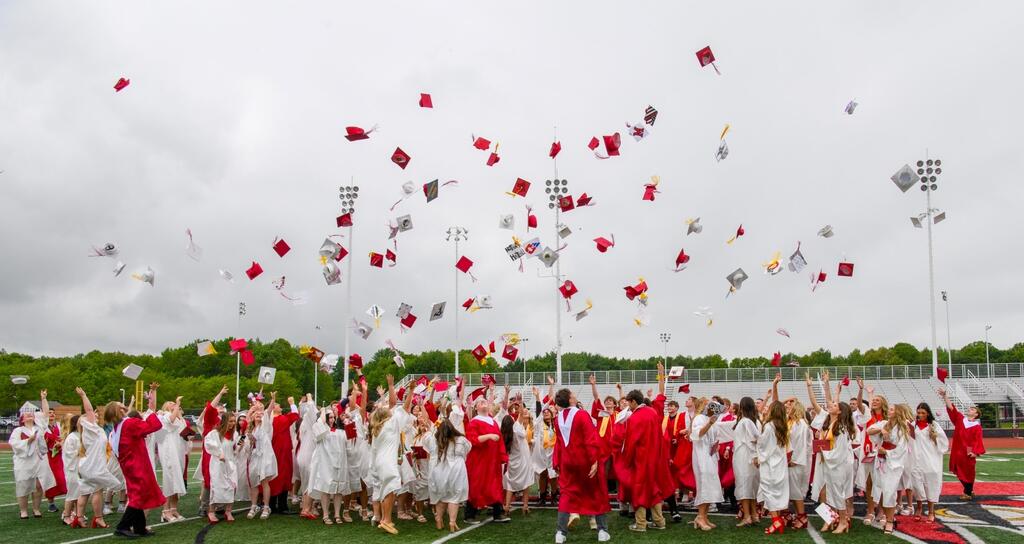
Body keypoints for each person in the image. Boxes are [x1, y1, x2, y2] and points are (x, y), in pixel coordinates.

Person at [551, 387, 611, 543]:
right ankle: (602, 531)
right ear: (570, 400)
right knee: (595, 492)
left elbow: (558, 443)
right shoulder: (582, 415)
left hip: (567, 462)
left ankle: (560, 533)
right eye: (572, 395)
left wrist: (557, 462)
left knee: (566, 495)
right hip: (584, 461)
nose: (574, 396)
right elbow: (590, 440)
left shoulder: (557, 419)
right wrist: (594, 461)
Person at [107, 382, 166, 538]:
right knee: (139, 495)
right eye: (121, 406)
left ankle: (140, 527)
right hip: (137, 464)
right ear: (117, 411)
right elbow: (153, 426)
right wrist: (151, 411)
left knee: (139, 494)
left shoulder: (116, 428)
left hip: (129, 464)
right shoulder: (129, 424)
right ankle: (122, 527)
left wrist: (151, 401)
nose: (125, 407)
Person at [621, 382, 673, 532]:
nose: (628, 406)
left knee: (639, 490)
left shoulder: (634, 418)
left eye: (629, 402)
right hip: (655, 458)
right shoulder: (652, 412)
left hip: (640, 459)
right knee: (654, 489)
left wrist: (627, 461)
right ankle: (659, 521)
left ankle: (641, 523)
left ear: (633, 401)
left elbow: (631, 443)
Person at [368, 374, 415, 534]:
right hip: (388, 462)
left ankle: (383, 519)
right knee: (390, 489)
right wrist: (411, 391)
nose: (389, 409)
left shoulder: (377, 429)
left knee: (385, 489)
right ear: (385, 415)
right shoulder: (390, 423)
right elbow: (406, 408)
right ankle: (387, 519)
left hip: (380, 463)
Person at [72, 388, 120, 529]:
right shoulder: (91, 428)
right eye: (93, 415)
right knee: (104, 489)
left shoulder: (89, 431)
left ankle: (79, 518)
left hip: (87, 466)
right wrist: (84, 396)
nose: (95, 416)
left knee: (85, 491)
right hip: (94, 467)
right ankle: (98, 518)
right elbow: (88, 409)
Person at [465, 385, 509, 525]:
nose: (485, 403)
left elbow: (500, 440)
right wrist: (488, 435)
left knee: (495, 485)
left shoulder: (492, 421)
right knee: (477, 485)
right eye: (481, 402)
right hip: (479, 459)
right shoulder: (474, 422)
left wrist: (502, 456)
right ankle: (469, 514)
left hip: (493, 460)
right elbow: (472, 440)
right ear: (476, 407)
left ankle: (498, 513)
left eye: (485, 402)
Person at [866, 403, 912, 534]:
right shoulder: (884, 424)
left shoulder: (902, 427)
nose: (890, 411)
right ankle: (889, 518)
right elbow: (869, 430)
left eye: (892, 409)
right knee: (880, 490)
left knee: (889, 491)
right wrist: (881, 431)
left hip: (893, 464)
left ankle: (890, 521)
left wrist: (887, 452)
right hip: (880, 462)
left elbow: (902, 449)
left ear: (898, 412)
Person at [426, 398, 471, 533]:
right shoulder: (461, 440)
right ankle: (452, 522)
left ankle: (439, 520)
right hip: (456, 470)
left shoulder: (433, 440)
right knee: (454, 497)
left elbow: (427, 445)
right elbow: (468, 449)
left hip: (438, 470)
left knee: (441, 496)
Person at [9, 390, 55, 519]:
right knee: (23, 485)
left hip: (38, 460)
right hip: (24, 462)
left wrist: (44, 398)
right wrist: (27, 441)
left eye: (31, 414)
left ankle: (36, 509)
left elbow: (45, 413)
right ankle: (23, 510)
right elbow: (14, 444)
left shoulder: (39, 428)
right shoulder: (18, 430)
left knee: (38, 486)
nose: (30, 415)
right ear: (22, 419)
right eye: (26, 414)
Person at [940, 388, 985, 500]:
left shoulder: (976, 426)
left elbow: (978, 440)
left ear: (976, 415)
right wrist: (945, 396)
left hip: (968, 450)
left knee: (969, 471)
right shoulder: (961, 419)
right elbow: (951, 408)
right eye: (970, 408)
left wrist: (975, 452)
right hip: (957, 449)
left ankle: (968, 492)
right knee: (958, 470)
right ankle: (969, 490)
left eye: (973, 409)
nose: (970, 409)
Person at [308, 405, 349, 525]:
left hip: (339, 463)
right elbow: (320, 430)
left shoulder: (340, 431)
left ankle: (337, 514)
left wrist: (349, 421)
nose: (331, 419)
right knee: (325, 489)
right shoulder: (319, 429)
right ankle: (325, 514)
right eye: (329, 417)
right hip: (325, 464)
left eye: (333, 417)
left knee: (338, 490)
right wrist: (322, 413)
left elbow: (351, 441)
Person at [756, 398, 790, 535]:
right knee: (775, 492)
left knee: (768, 491)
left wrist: (757, 444)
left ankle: (776, 520)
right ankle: (777, 519)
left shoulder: (770, 426)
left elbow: (764, 445)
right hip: (780, 463)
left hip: (770, 464)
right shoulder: (783, 425)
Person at [911, 402, 948, 522]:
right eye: (918, 412)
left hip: (930, 460)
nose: (920, 414)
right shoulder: (913, 425)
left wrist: (935, 437)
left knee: (931, 484)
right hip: (916, 460)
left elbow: (944, 443)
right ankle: (919, 507)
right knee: (917, 485)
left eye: (923, 413)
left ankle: (931, 511)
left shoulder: (934, 425)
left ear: (928, 413)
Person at [691, 397, 723, 531]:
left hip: (711, 455)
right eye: (708, 404)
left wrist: (717, 445)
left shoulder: (712, 420)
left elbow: (714, 436)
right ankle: (700, 516)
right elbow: (697, 434)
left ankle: (704, 516)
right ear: (703, 406)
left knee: (711, 485)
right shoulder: (698, 418)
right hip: (701, 455)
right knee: (704, 484)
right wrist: (709, 423)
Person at [204, 405, 240, 524]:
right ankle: (211, 512)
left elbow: (236, 449)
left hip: (231, 464)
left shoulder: (234, 434)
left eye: (234, 421)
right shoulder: (215, 433)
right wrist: (219, 454)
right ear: (224, 421)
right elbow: (209, 444)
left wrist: (242, 443)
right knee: (217, 487)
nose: (232, 424)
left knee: (231, 487)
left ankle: (228, 511)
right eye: (230, 421)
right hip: (218, 465)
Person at [155, 397, 187, 522]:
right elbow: (170, 421)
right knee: (169, 480)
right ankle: (165, 511)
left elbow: (184, 432)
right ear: (166, 407)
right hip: (169, 451)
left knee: (177, 480)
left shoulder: (180, 418)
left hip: (179, 450)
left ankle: (174, 509)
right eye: (170, 402)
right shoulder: (164, 415)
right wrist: (177, 404)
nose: (173, 403)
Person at [268, 395, 302, 514]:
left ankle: (273, 504)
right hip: (281, 452)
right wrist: (292, 402)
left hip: (277, 451)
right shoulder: (279, 420)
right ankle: (281, 506)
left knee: (275, 477)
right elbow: (295, 415)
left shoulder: (271, 421)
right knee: (283, 476)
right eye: (276, 404)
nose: (279, 405)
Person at [501, 395, 534, 516]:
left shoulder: (504, 434)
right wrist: (520, 403)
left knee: (510, 484)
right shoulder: (516, 428)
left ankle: (507, 506)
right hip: (523, 460)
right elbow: (520, 415)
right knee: (526, 483)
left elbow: (517, 415)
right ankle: (525, 506)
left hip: (512, 461)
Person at [198, 385, 228, 516]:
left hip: (224, 455)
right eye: (219, 408)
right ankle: (204, 506)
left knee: (223, 478)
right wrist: (220, 393)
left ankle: (220, 505)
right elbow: (210, 407)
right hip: (211, 455)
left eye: (222, 408)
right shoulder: (210, 420)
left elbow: (236, 436)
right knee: (209, 479)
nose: (221, 409)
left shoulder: (224, 422)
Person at [246, 397, 278, 519]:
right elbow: (240, 444)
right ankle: (253, 506)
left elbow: (268, 411)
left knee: (264, 481)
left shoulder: (266, 427)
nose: (259, 415)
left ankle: (266, 507)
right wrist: (245, 443)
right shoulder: (249, 430)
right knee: (254, 483)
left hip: (265, 457)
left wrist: (273, 399)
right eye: (257, 414)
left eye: (261, 414)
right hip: (254, 457)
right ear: (252, 417)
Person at [732, 397, 760, 527]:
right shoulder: (750, 421)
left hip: (744, 457)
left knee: (744, 485)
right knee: (751, 486)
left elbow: (754, 439)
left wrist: (754, 455)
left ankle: (747, 516)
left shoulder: (745, 422)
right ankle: (754, 514)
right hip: (745, 455)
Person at [786, 398, 812, 529]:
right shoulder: (790, 422)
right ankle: (797, 515)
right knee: (792, 490)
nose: (787, 409)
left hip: (796, 462)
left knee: (796, 491)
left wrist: (794, 460)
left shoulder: (801, 423)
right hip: (790, 461)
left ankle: (802, 516)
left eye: (789, 407)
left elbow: (801, 445)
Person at [532, 383, 559, 506]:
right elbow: (540, 410)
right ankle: (542, 497)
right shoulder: (538, 424)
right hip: (541, 453)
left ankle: (554, 496)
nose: (546, 413)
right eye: (545, 412)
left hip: (552, 453)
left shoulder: (556, 424)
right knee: (543, 474)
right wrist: (538, 397)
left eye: (549, 412)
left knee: (553, 475)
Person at [59, 414, 82, 525]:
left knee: (80, 493)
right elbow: (68, 453)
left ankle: (78, 514)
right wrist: (80, 451)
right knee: (72, 493)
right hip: (73, 469)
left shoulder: (81, 435)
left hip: (81, 468)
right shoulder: (72, 437)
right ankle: (66, 515)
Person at [43, 410, 67, 513]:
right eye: (49, 412)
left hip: (60, 456)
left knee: (64, 478)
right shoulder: (43, 427)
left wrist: (61, 442)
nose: (52, 414)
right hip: (48, 457)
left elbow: (65, 437)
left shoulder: (59, 426)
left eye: (53, 413)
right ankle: (51, 503)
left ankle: (69, 501)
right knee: (51, 479)